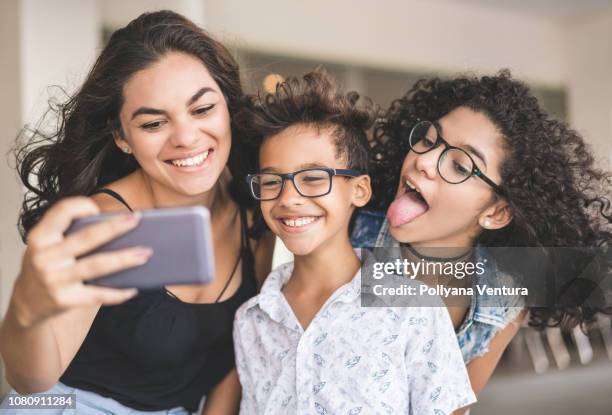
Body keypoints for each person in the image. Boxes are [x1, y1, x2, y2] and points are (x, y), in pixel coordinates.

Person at [0, 10, 274, 414]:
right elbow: (32, 381)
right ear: (122, 137)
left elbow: (236, 359)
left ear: (228, 108)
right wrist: (26, 310)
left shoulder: (254, 216)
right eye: (153, 124)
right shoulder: (102, 223)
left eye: (202, 110)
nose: (186, 137)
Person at [351, 70, 612, 412]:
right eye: (429, 141)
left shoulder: (504, 299)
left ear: (497, 212)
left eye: (460, 166)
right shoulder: (349, 241)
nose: (425, 162)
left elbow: (454, 407)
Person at [232, 70, 477, 414]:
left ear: (359, 190)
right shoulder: (251, 321)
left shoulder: (414, 310)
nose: (288, 198)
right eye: (272, 182)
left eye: (314, 178)